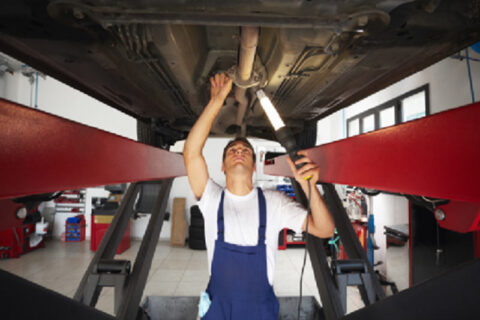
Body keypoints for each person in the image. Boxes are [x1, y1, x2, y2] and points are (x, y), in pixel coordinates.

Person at [183, 73, 334, 320]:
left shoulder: (273, 202)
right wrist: (216, 102)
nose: (239, 151)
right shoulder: (211, 199)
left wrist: (308, 186)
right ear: (222, 166)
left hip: (260, 312)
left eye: (245, 150)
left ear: (255, 167)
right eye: (232, 150)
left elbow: (326, 230)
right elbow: (191, 153)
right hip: (218, 309)